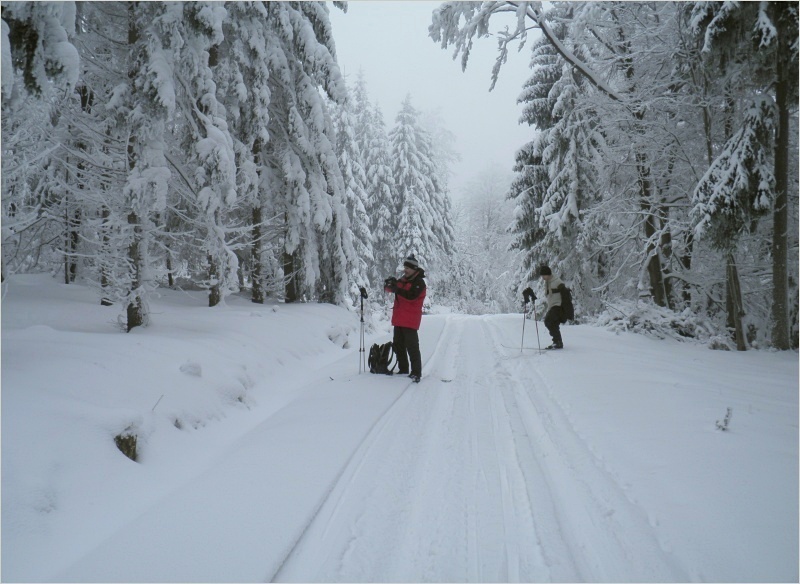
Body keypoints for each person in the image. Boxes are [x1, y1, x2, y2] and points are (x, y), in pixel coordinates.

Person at [384, 254, 426, 382]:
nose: (405, 270)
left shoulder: (419, 283)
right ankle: (403, 369)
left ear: (414, 269)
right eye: (405, 268)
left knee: (412, 347)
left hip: (410, 320)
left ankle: (416, 372)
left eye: (408, 268)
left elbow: (411, 296)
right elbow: (391, 289)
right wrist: (389, 284)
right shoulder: (403, 280)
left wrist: (396, 289)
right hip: (399, 319)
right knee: (398, 346)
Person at [539, 265, 567, 349]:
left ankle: (557, 342)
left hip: (558, 306)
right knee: (553, 323)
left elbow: (565, 293)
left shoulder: (557, 281)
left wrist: (565, 308)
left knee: (548, 321)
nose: (543, 277)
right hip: (552, 306)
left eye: (543, 275)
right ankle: (558, 342)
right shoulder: (548, 282)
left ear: (547, 274)